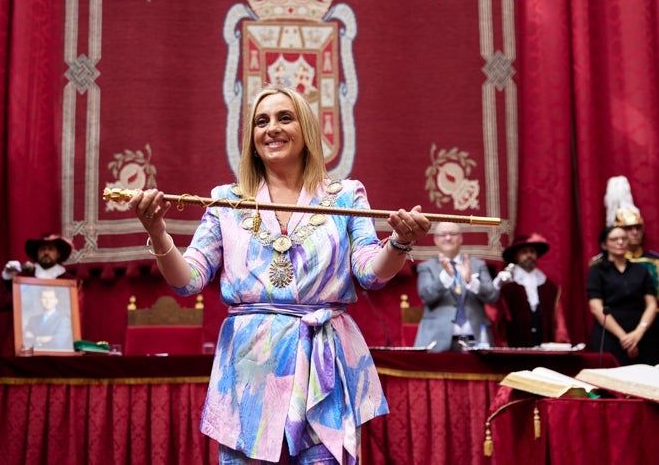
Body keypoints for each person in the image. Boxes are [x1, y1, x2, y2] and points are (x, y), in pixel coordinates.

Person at [129, 86, 431, 464]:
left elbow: (370, 272)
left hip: (324, 363)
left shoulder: (346, 196)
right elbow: (187, 280)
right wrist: (157, 232)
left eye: (284, 118)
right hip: (251, 369)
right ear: (252, 140)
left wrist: (400, 242)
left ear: (305, 130)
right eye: (261, 121)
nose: (272, 128)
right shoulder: (225, 200)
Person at [414, 221, 498, 352]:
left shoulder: (477, 265)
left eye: (452, 234)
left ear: (461, 238)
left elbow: (493, 296)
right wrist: (445, 277)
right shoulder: (426, 267)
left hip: (476, 338)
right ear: (436, 240)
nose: (448, 238)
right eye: (443, 234)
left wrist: (471, 281)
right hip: (436, 339)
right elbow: (426, 297)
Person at [586, 226, 658, 366]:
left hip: (643, 335)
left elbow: (651, 304)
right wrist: (624, 338)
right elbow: (596, 307)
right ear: (604, 244)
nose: (620, 242)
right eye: (614, 239)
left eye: (624, 239)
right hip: (610, 334)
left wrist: (638, 333)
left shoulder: (641, 270)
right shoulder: (597, 270)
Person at [0, 233, 76, 356]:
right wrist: (7, 279)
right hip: (24, 346)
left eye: (51, 249)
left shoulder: (70, 282)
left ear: (59, 254)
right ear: (37, 253)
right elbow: (2, 303)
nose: (46, 252)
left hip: (60, 346)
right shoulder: (23, 278)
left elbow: (73, 315)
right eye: (43, 249)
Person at [491, 233, 570, 347]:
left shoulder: (549, 286)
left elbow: (558, 320)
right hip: (514, 344)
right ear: (516, 256)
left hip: (543, 344)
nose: (529, 255)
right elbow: (495, 314)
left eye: (532, 252)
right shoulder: (506, 284)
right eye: (524, 252)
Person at [602, 175, 659, 294]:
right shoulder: (601, 265)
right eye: (628, 228)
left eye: (638, 227)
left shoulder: (654, 261)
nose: (634, 232)